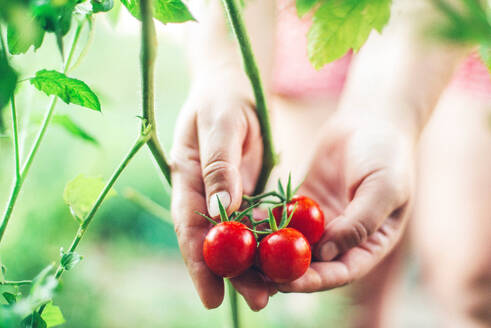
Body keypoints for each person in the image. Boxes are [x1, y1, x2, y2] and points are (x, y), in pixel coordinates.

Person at [169, 1, 491, 327]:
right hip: (310, 12)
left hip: (459, 13)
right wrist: (227, 72)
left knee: (476, 281)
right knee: (338, 292)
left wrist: (393, 110)